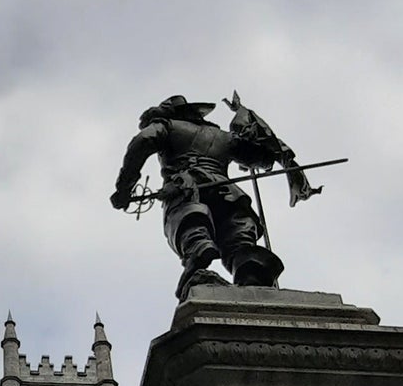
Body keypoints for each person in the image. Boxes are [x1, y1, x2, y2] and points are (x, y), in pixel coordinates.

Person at [111, 95, 317, 298]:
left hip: (187, 186)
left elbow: (143, 140)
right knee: (237, 235)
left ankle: (199, 247)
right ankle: (250, 266)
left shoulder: (167, 126)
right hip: (227, 190)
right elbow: (262, 158)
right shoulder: (223, 136)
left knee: (189, 220)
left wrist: (124, 188)